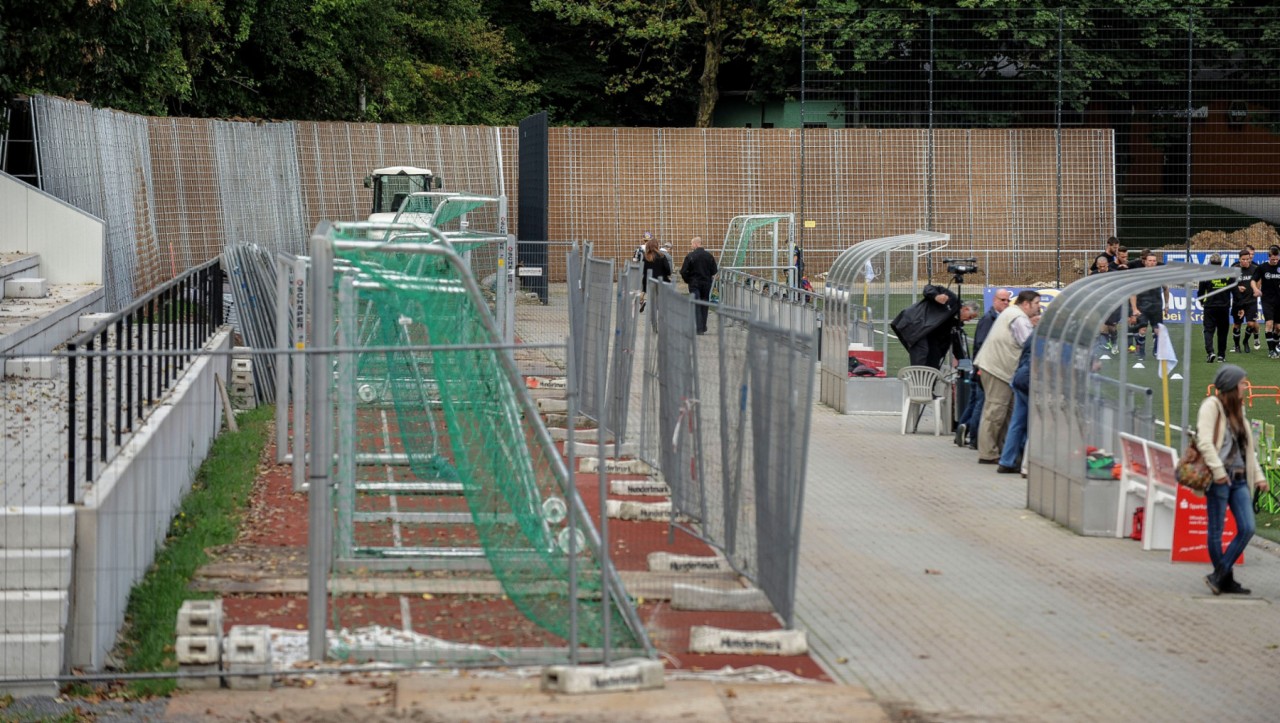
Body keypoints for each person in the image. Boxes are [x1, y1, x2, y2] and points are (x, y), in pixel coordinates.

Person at [1196, 365, 1268, 596]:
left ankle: (1219, 576)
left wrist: (1257, 476)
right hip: (1219, 478)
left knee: (1247, 528)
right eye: (1241, 383)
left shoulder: (1239, 410)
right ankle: (1225, 579)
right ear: (1230, 385)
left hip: (1238, 479)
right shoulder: (1211, 407)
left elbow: (1246, 449)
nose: (1245, 387)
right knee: (1216, 531)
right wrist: (1218, 472)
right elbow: (1205, 442)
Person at [972, 289, 1040, 464]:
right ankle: (987, 453)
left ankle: (1003, 451)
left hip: (997, 368)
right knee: (995, 411)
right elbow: (1028, 345)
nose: (1038, 307)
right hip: (998, 369)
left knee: (1006, 412)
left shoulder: (1011, 313)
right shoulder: (1019, 318)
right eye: (1037, 303)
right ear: (1026, 304)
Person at [955, 289, 1011, 448]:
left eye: (1007, 300)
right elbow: (982, 344)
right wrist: (981, 367)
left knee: (974, 402)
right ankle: (975, 438)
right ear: (994, 300)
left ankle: (963, 429)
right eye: (1002, 300)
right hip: (984, 368)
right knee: (981, 402)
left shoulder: (995, 318)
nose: (1005, 303)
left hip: (981, 367)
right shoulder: (989, 319)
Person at [890, 284, 975, 369]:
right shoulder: (952, 298)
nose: (969, 320)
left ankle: (929, 380)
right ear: (966, 309)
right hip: (915, 324)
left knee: (933, 361)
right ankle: (919, 379)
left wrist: (965, 364)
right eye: (970, 317)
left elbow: (957, 344)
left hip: (931, 337)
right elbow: (928, 288)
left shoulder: (956, 324)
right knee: (922, 352)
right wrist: (936, 296)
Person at [997, 334, 1035, 474]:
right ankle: (1027, 465)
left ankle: (1006, 461)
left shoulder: (1034, 334)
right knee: (1034, 424)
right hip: (1031, 382)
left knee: (1016, 423)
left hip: (1020, 378)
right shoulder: (1052, 336)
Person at [1127, 251, 1169, 363]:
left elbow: (1166, 288)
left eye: (1154, 261)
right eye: (1150, 260)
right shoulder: (1139, 275)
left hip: (1156, 306)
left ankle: (1156, 351)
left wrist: (1167, 305)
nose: (1152, 263)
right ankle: (1140, 353)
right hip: (1142, 307)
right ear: (1145, 262)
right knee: (1142, 330)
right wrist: (1134, 308)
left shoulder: (1160, 275)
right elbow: (1133, 293)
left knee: (1157, 331)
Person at [1198, 254, 1234, 363]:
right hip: (1224, 307)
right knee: (1222, 332)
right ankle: (1221, 356)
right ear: (1221, 263)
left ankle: (1210, 352)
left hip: (1210, 306)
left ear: (1210, 263)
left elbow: (1200, 291)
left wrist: (1201, 301)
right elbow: (1234, 290)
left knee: (1208, 330)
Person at [679, 236, 718, 334]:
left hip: (694, 283)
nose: (691, 246)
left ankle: (699, 327)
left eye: (692, 244)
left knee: (696, 304)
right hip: (706, 283)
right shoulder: (709, 256)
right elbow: (714, 271)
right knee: (704, 305)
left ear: (696, 244)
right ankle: (703, 326)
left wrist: (688, 280)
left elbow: (683, 271)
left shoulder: (690, 256)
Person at [1251, 244, 1280, 358]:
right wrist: (1256, 289)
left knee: (1278, 328)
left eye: (1276, 259)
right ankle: (1271, 350)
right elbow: (1253, 280)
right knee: (1269, 323)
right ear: (1269, 257)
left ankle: (1276, 345)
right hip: (1267, 300)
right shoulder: (1262, 267)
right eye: (1272, 259)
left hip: (1279, 300)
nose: (1274, 261)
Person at [1230, 247, 1259, 353]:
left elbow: (1259, 280)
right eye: (1244, 259)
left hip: (1251, 301)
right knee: (1237, 324)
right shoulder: (1234, 269)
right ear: (1239, 259)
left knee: (1251, 324)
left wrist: (1257, 290)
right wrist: (1237, 288)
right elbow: (1229, 284)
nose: (1246, 261)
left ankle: (1245, 341)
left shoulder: (1255, 268)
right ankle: (1237, 345)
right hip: (1238, 301)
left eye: (1248, 259)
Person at [638, 237, 672, 313]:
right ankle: (660, 311)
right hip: (661, 280)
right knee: (660, 298)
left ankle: (649, 304)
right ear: (657, 246)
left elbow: (643, 271)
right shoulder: (662, 256)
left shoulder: (646, 257)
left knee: (652, 296)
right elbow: (668, 270)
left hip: (649, 280)